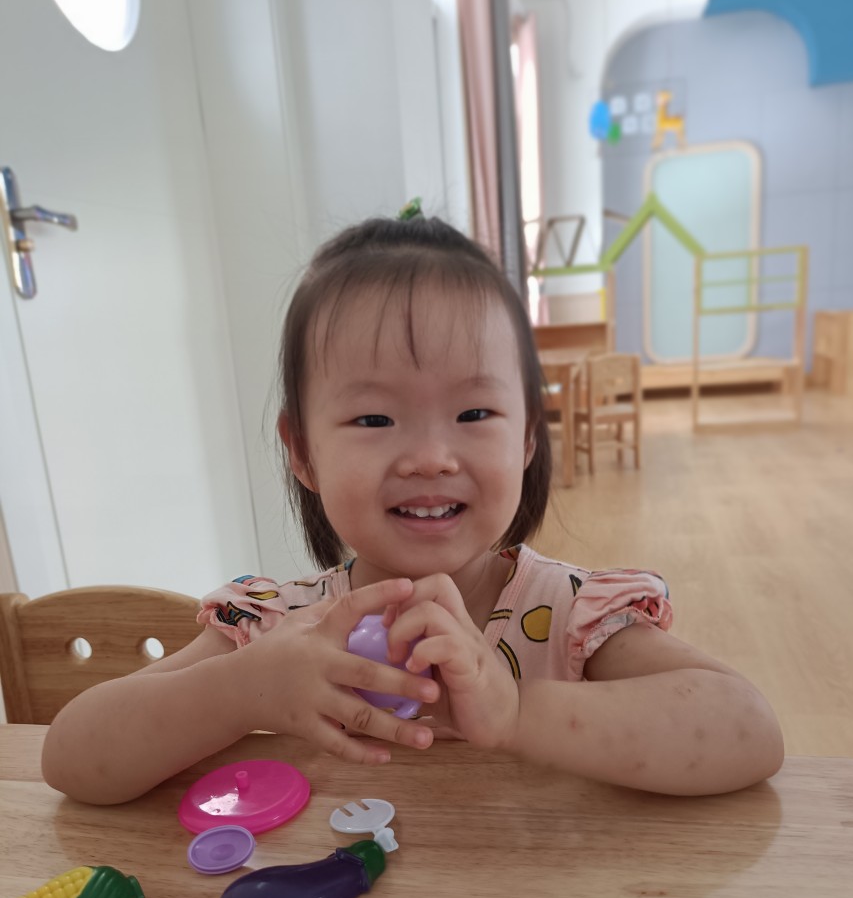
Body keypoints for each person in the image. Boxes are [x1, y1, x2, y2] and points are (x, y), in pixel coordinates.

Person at [42, 214, 784, 805]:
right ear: (303, 453)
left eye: (474, 413)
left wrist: (516, 711)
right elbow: (72, 758)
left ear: (528, 436)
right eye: (374, 419)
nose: (431, 457)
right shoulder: (277, 631)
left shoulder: (572, 617)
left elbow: (748, 731)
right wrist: (244, 691)